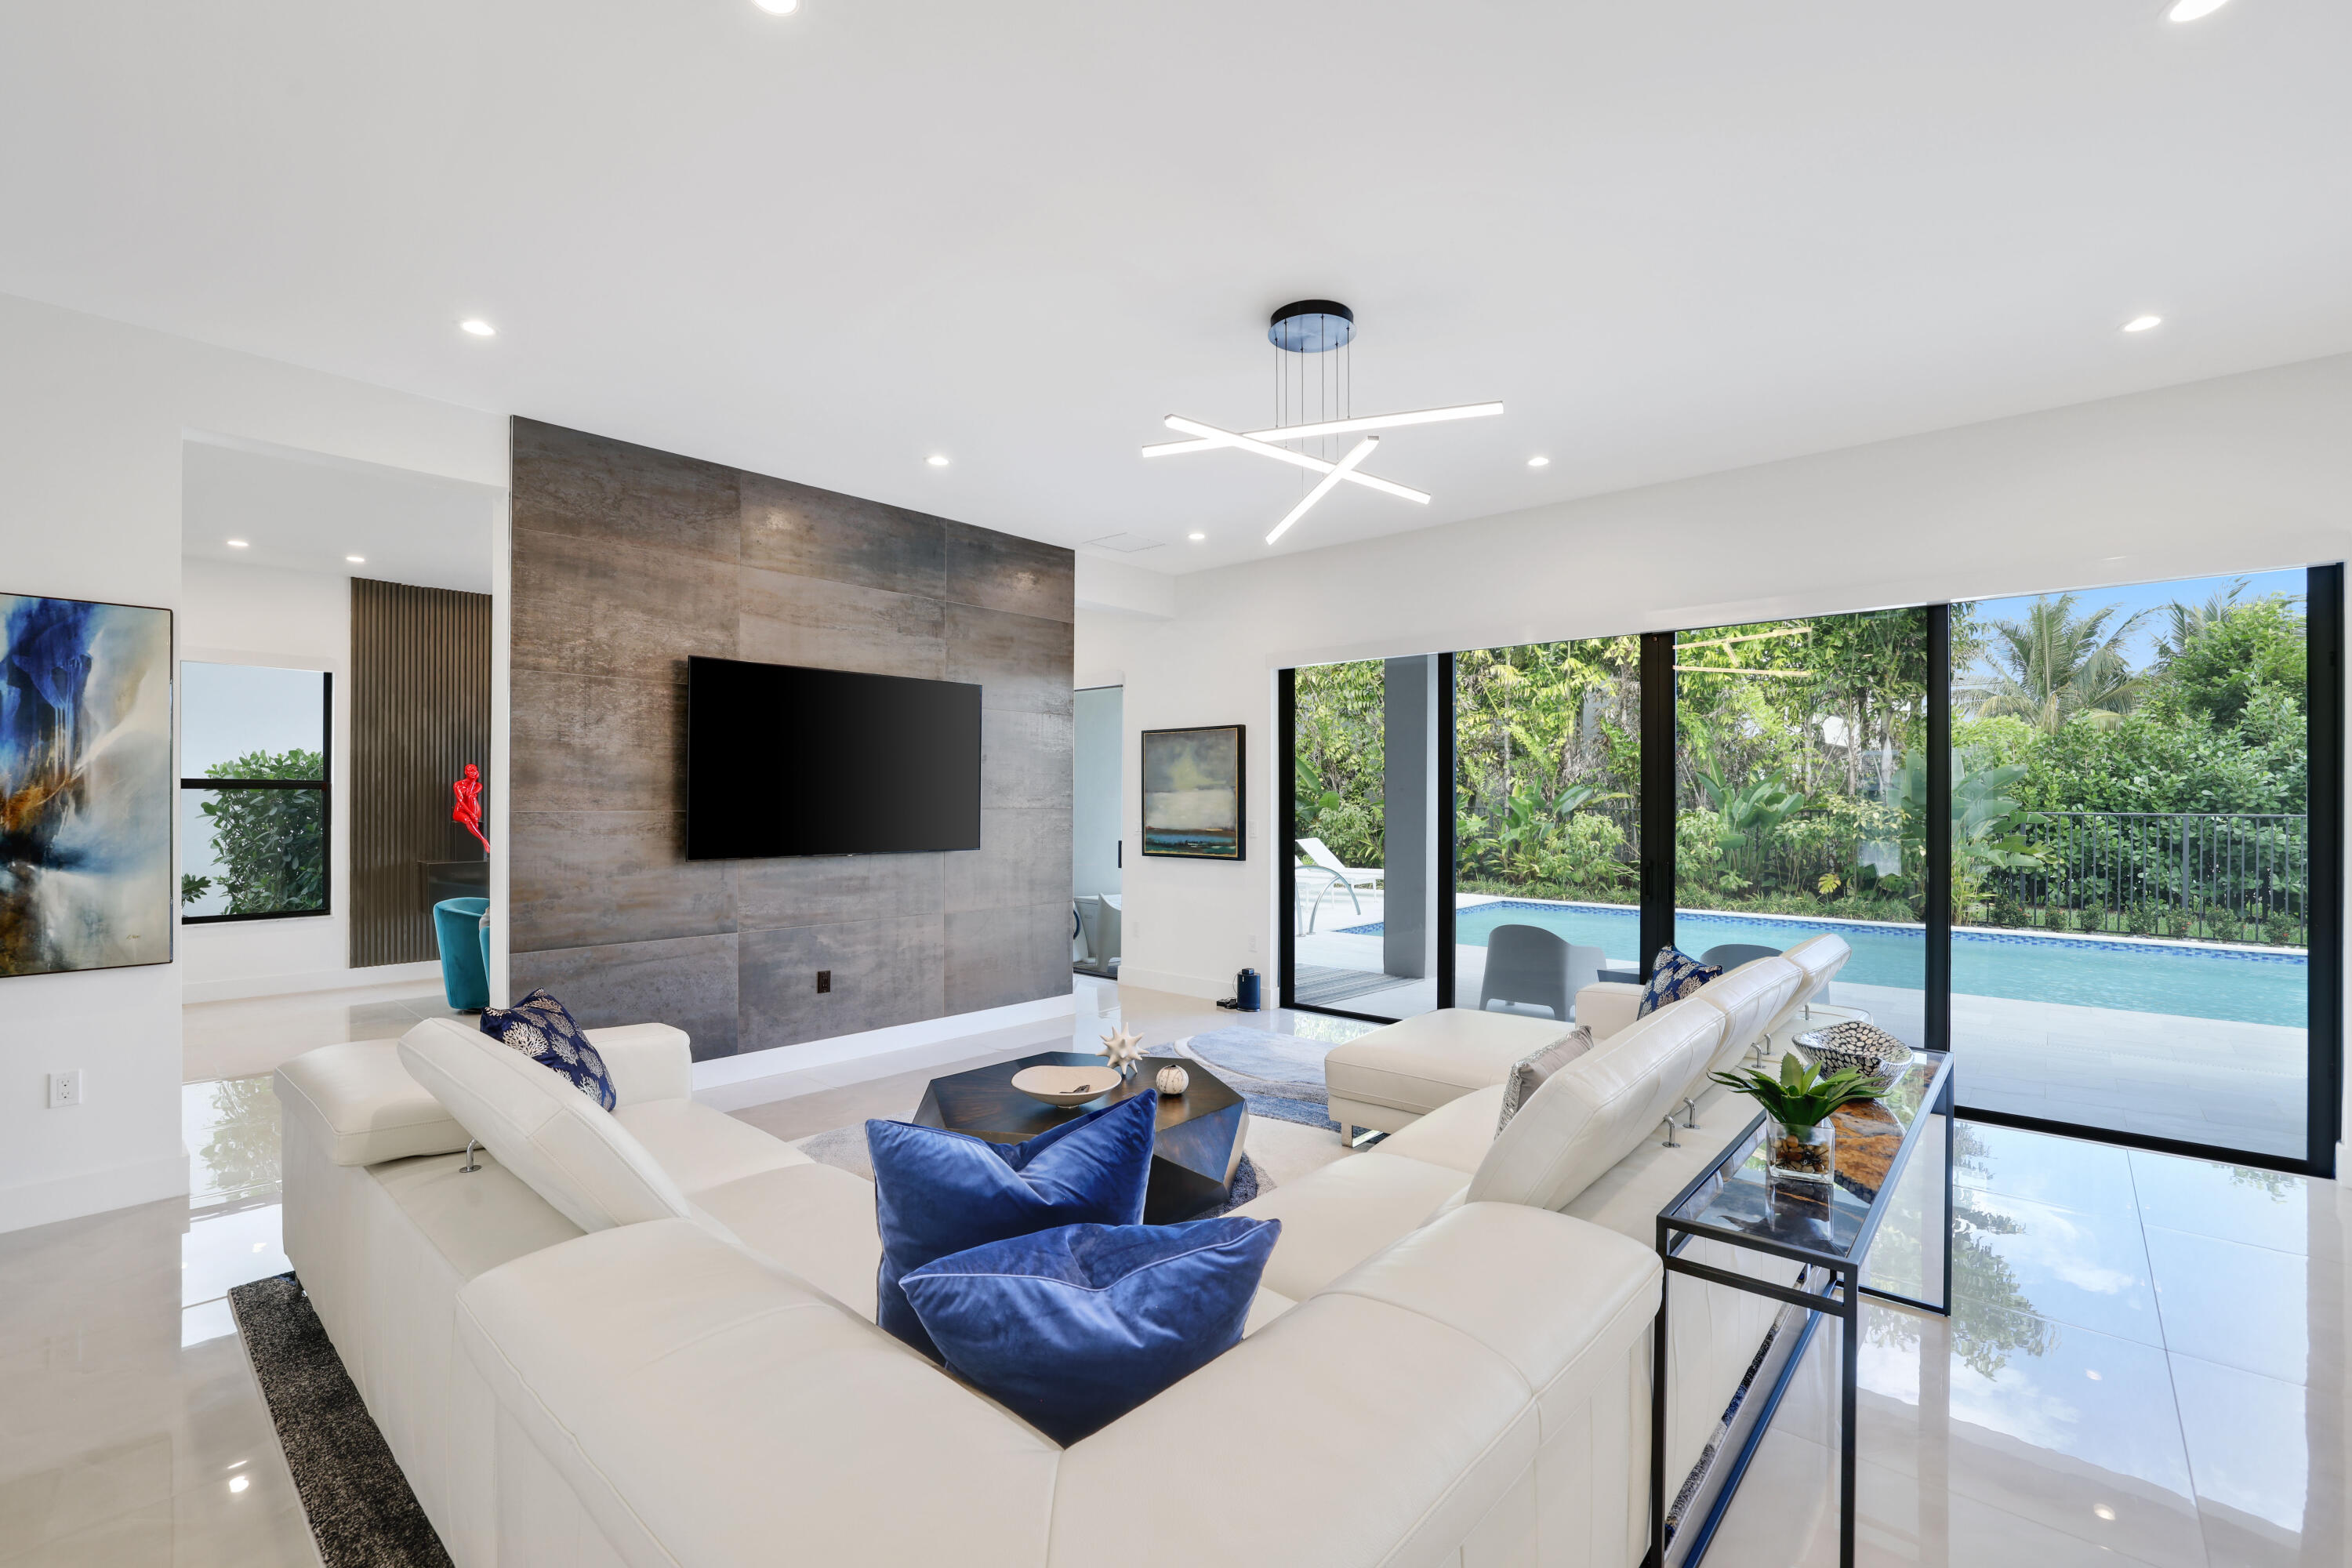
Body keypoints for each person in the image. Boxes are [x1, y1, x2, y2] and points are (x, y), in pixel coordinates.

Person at [452, 762, 488, 851]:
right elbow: (460, 801)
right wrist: (471, 814)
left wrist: (473, 781)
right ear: (465, 772)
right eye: (470, 771)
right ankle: (483, 840)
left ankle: (474, 823)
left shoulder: (478, 785)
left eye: (475, 771)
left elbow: (469, 794)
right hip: (460, 811)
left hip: (475, 810)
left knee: (471, 797)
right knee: (467, 820)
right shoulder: (458, 784)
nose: (473, 772)